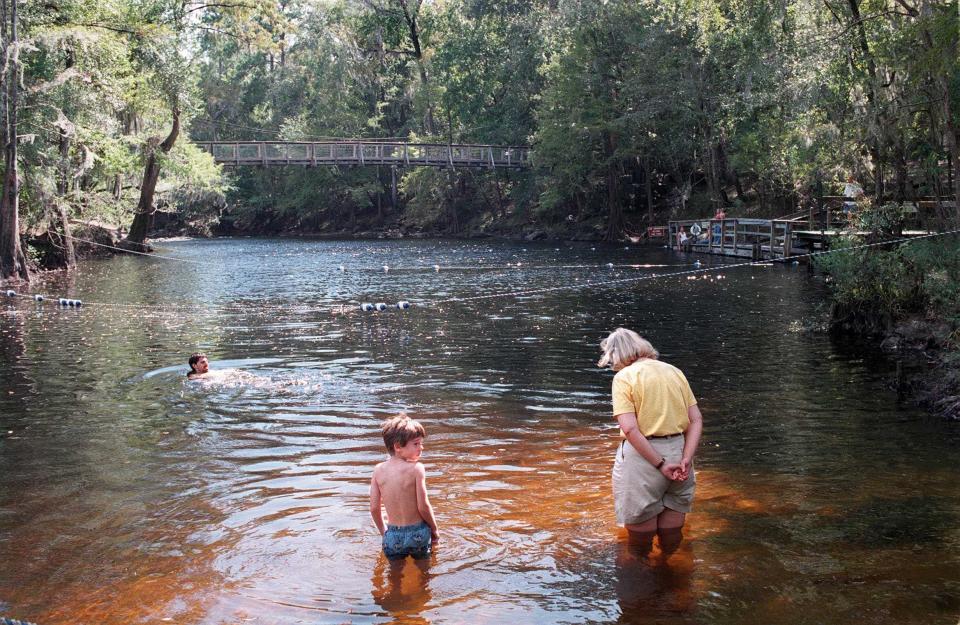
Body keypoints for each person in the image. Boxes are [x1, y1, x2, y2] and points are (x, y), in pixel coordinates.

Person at [598, 328, 703, 555]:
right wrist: (686, 458)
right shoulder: (674, 371)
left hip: (644, 460)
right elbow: (695, 420)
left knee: (639, 538)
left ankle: (643, 580)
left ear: (615, 355)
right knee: (672, 530)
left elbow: (630, 428)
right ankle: (670, 571)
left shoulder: (624, 377)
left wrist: (660, 464)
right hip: (680, 450)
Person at [370, 415, 440, 560]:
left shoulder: (378, 470)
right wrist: (434, 529)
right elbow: (423, 506)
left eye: (421, 443)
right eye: (416, 444)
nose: (421, 447)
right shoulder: (417, 469)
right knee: (423, 575)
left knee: (393, 578)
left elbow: (374, 508)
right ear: (398, 447)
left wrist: (385, 532)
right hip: (418, 533)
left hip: (393, 535)